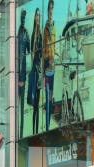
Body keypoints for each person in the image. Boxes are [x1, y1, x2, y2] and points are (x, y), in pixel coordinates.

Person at [42, 0, 56, 131]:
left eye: (52, 8)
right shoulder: (45, 28)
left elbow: (54, 46)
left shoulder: (54, 26)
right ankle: (47, 126)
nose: (50, 11)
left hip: (54, 67)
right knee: (47, 97)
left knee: (51, 97)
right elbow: (43, 50)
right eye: (49, 9)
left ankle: (50, 125)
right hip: (47, 68)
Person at [29, 8, 43, 135]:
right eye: (36, 15)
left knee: (37, 104)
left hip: (38, 70)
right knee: (34, 105)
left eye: (39, 15)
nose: (37, 17)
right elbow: (32, 54)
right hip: (34, 71)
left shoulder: (39, 35)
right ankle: (34, 130)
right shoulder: (34, 34)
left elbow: (41, 54)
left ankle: (36, 131)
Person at [17, 9, 30, 138]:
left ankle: (20, 134)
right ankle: (17, 134)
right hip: (17, 75)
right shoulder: (18, 34)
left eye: (24, 18)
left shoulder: (25, 33)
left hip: (22, 75)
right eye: (22, 18)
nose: (23, 20)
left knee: (21, 107)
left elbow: (28, 52)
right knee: (16, 107)